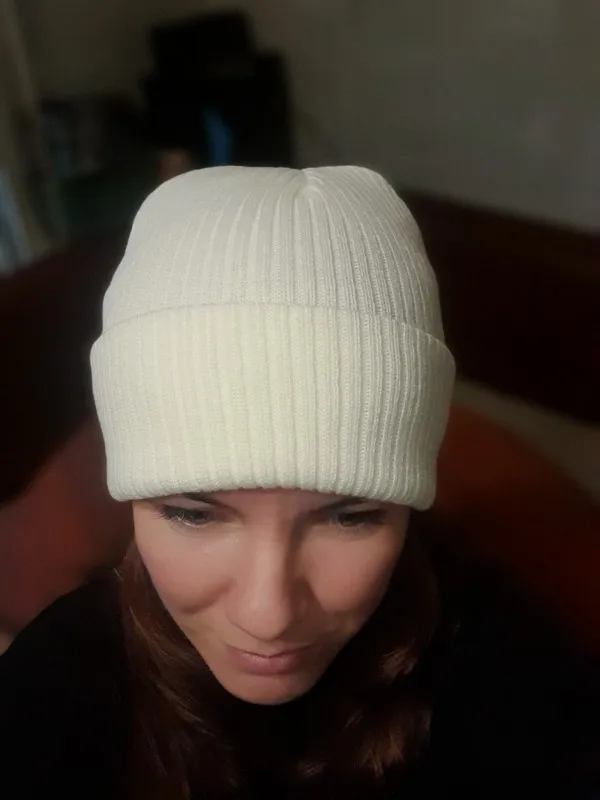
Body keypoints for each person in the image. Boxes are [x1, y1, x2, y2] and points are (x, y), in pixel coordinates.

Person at [0, 166, 597, 799]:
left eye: (349, 516)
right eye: (194, 514)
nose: (269, 616)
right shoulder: (51, 692)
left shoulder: (510, 672)